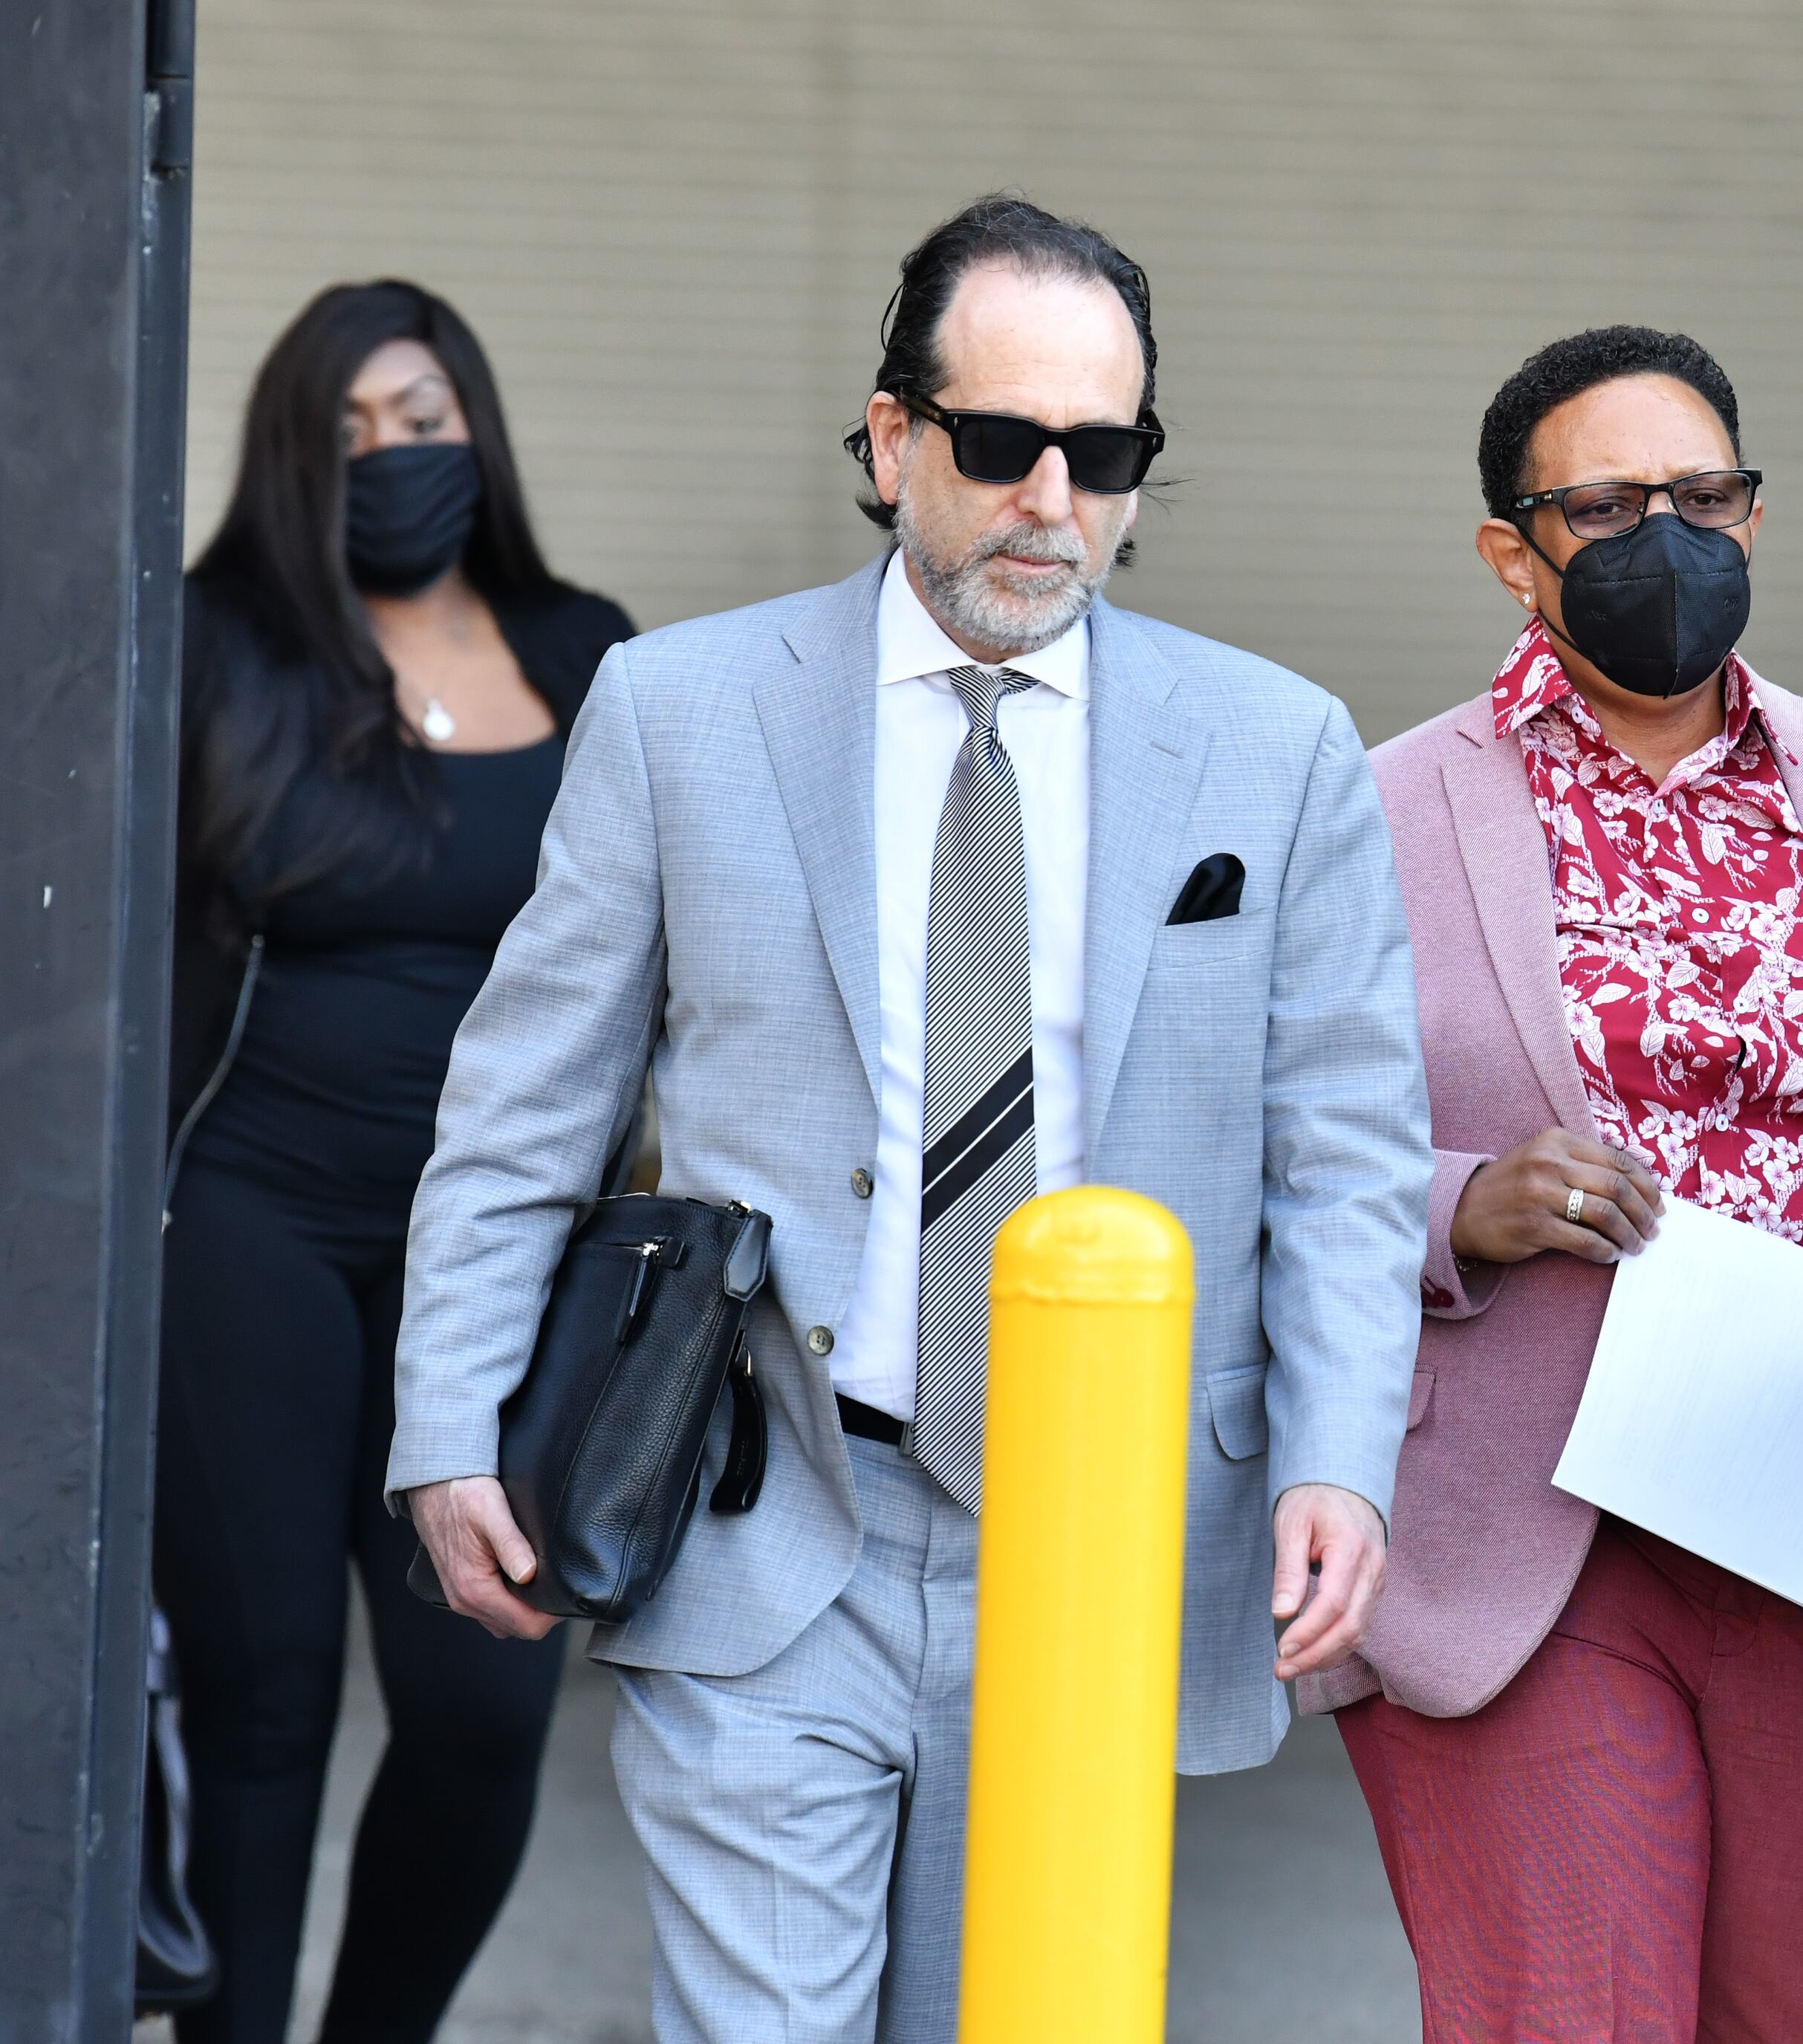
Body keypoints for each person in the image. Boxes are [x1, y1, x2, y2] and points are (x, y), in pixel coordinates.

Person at [389, 195, 1430, 2043]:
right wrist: (449, 1418)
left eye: (1102, 452)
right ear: (891, 440)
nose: (1051, 494)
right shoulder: (681, 708)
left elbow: (1343, 1150)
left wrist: (1342, 1451)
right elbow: (525, 1099)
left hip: (1105, 1532)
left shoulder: (1277, 747)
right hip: (774, 1495)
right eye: (1000, 440)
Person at [1296, 326, 1803, 2042]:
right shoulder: (1369, 810)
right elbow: (1265, 1146)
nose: (1663, 540)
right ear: (1510, 551)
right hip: (1530, 1537)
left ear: (1755, 519)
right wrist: (1461, 1200)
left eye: (1704, 496)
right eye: (1604, 506)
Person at [157, 279, 635, 2044]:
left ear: (476, 432)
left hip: (509, 1251)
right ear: (290, 454)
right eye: (347, 430)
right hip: (247, 1218)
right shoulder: (212, 647)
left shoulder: (589, 654)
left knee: (481, 1705)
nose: (389, 458)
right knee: (262, 1694)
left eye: (419, 420)